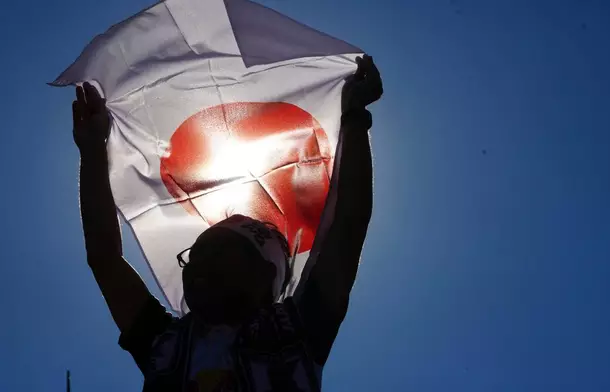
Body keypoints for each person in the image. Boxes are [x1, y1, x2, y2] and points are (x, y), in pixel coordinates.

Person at [73, 54, 383, 392]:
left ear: (265, 275)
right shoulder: (166, 341)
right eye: (196, 255)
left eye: (219, 252)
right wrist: (92, 150)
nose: (198, 265)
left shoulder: (300, 328)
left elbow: (348, 226)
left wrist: (354, 118)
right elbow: (104, 259)